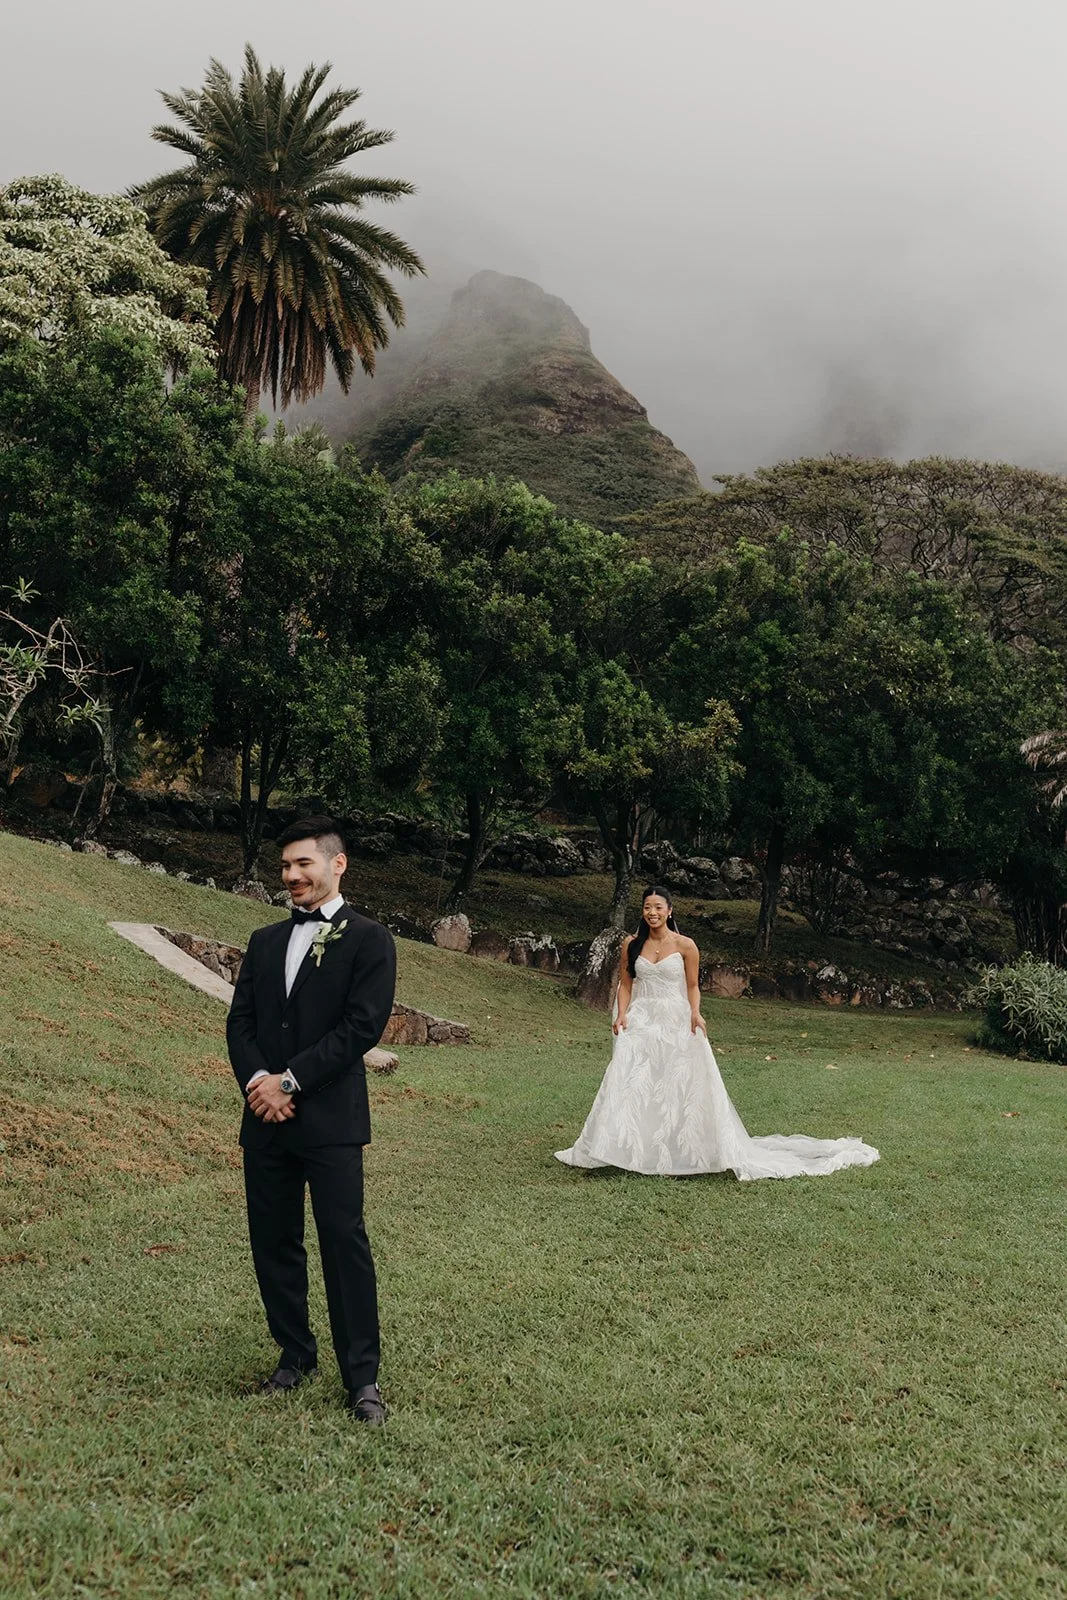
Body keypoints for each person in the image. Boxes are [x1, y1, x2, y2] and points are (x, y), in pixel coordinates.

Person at [226, 816, 397, 1422]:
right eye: (285, 867)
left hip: (329, 1120)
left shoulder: (370, 938)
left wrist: (290, 1080)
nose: (291, 876)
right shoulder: (265, 941)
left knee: (342, 1241)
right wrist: (259, 1085)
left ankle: (362, 1379)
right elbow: (240, 1024)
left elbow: (361, 1028)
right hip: (265, 1118)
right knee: (273, 1240)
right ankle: (293, 1354)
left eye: (303, 864)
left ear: (337, 864)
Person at [555, 886, 879, 1179]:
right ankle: (623, 1147)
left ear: (669, 910)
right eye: (646, 908)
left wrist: (695, 1012)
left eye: (658, 907)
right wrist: (622, 1013)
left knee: (678, 1082)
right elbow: (626, 985)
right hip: (642, 1019)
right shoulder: (631, 944)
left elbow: (693, 987)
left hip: (676, 1018)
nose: (652, 913)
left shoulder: (686, 946)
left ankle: (680, 1149)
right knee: (631, 1079)